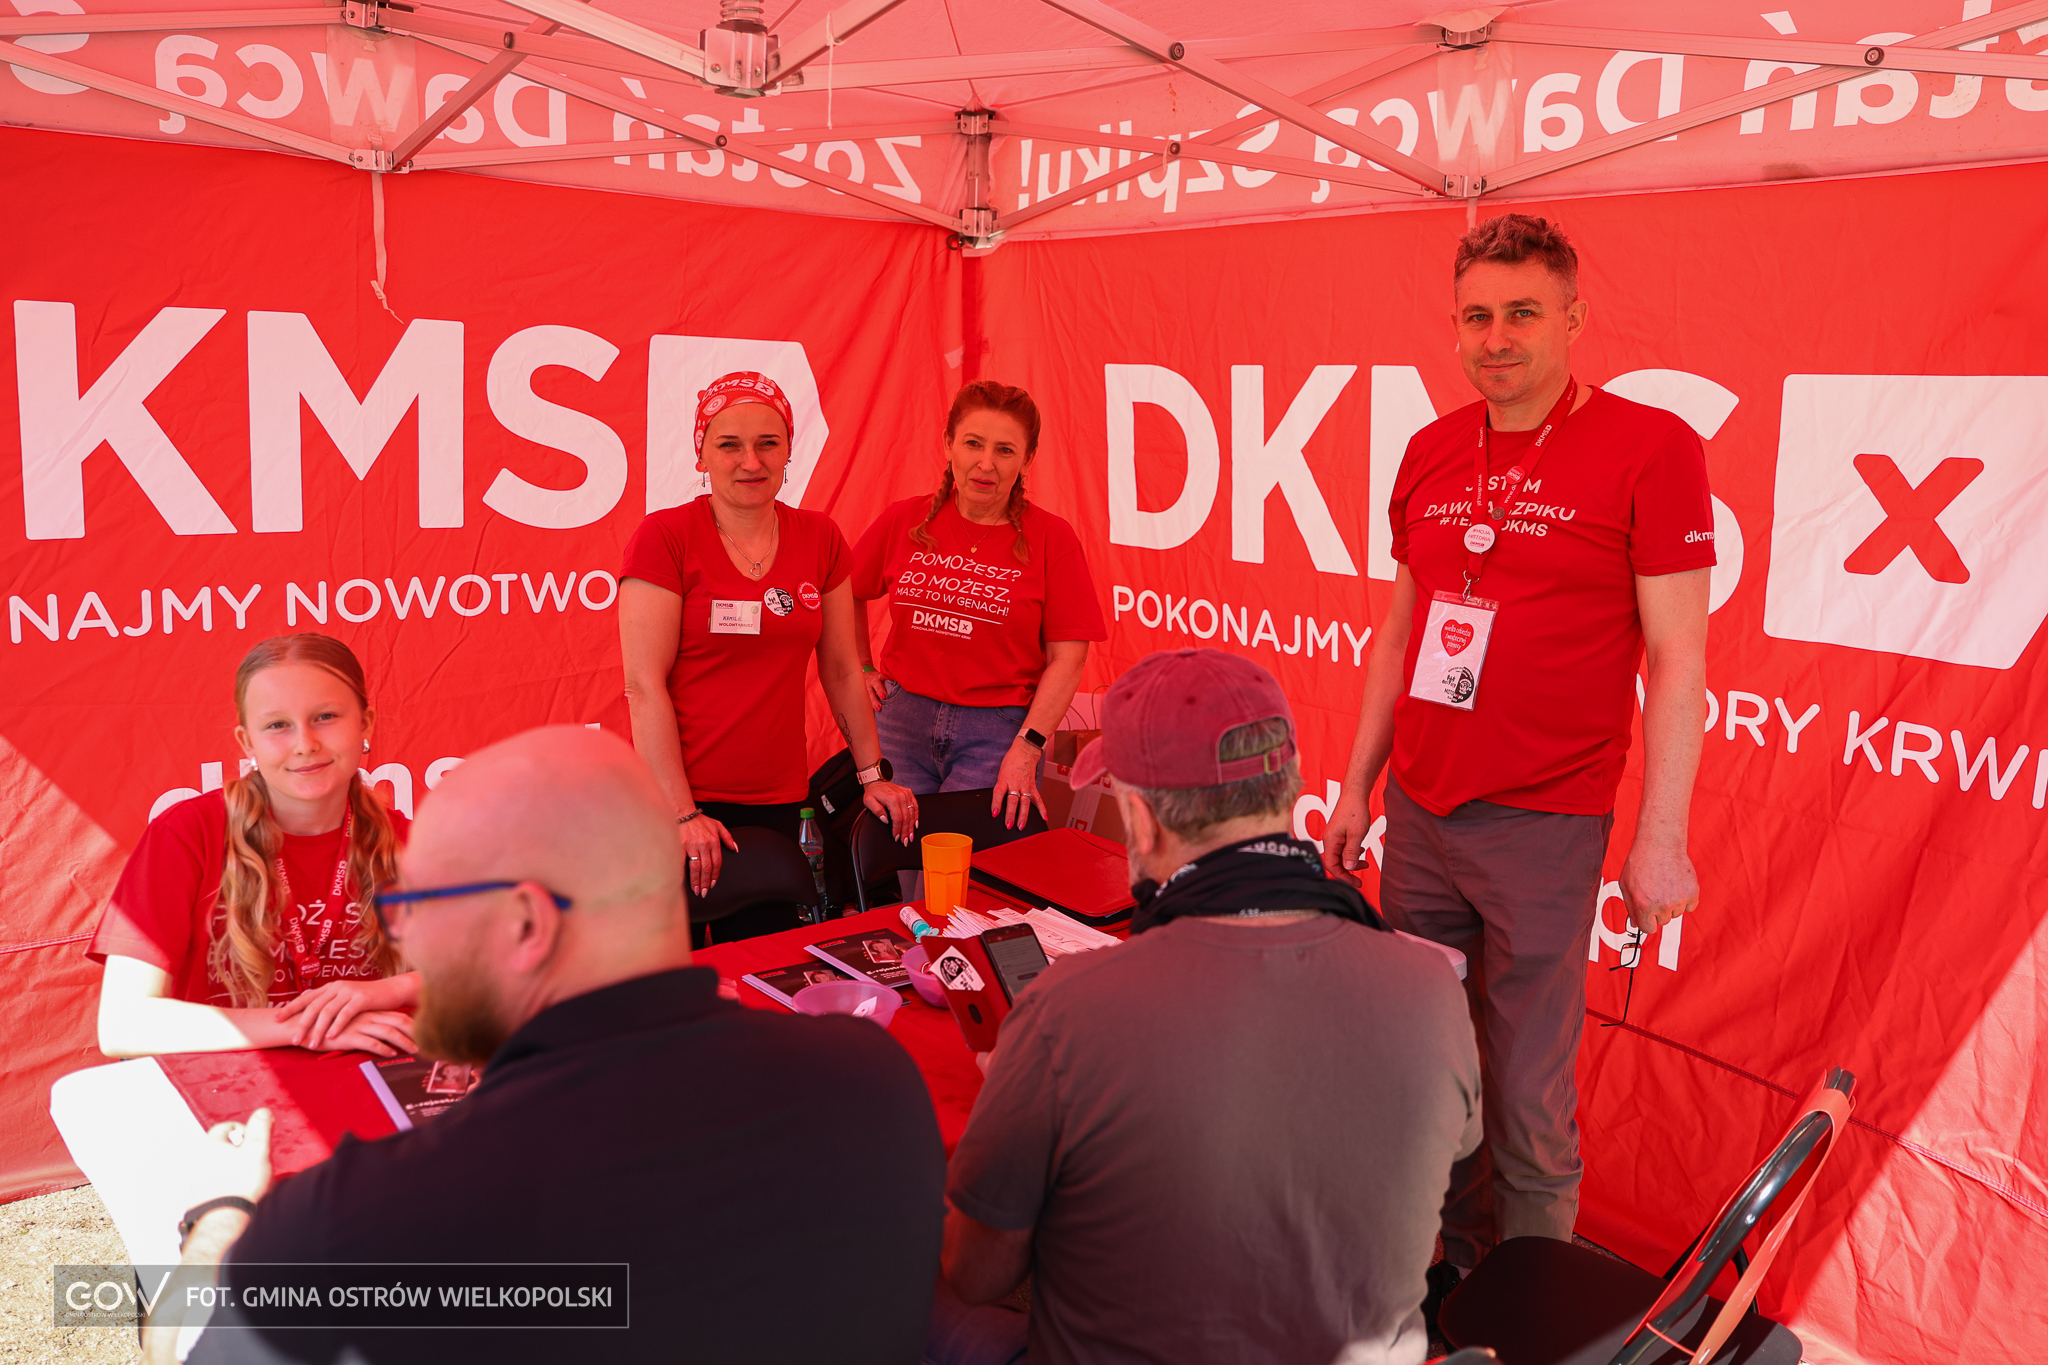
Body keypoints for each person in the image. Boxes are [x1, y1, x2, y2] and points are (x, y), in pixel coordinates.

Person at [157, 725, 947, 1365]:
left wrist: (218, 1214)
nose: (407, 941)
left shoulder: (358, 1221)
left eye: (418, 905)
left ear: (526, 923)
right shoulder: (873, 1073)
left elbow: (182, 1349)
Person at [1320, 214, 1714, 1303]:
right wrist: (1354, 786)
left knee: (1529, 1094)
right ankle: (1443, 1277)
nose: (1496, 338)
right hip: (1421, 812)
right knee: (1428, 1071)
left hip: (1546, 820)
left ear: (1574, 319)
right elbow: (1399, 633)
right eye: (1477, 316)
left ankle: (1530, 1305)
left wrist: (1661, 840)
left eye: (1523, 314)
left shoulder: (1650, 449)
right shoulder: (1431, 449)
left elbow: (1678, 659)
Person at [940, 649, 1480, 1365]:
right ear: (1288, 791)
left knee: (908, 1300)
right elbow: (1449, 1147)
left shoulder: (1066, 1012)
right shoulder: (1432, 988)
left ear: (1141, 820)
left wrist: (1015, 1111)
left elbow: (977, 1272)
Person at [619, 371, 917, 915]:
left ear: (787, 451)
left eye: (767, 443)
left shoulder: (820, 537)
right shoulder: (665, 537)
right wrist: (683, 813)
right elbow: (643, 685)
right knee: (673, 961)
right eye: (729, 445)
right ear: (701, 455)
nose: (750, 461)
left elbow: (842, 670)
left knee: (765, 957)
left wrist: (872, 777)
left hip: (778, 801)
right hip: (676, 800)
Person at [89, 633, 416, 1059]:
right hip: (225, 1091)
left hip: (369, 1086)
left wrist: (390, 990)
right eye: (278, 725)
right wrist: (305, 1026)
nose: (305, 744)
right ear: (247, 741)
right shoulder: (187, 833)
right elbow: (123, 1024)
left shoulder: (414, 843)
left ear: (365, 723)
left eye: (326, 716)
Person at [852, 381, 1105, 829]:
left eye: (1005, 450)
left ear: (1027, 459)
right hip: (900, 724)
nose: (986, 463)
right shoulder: (902, 520)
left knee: (970, 866)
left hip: (997, 734)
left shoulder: (1052, 538)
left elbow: (1068, 658)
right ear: (948, 444)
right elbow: (845, 591)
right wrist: (861, 666)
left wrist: (1028, 746)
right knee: (898, 863)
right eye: (973, 443)